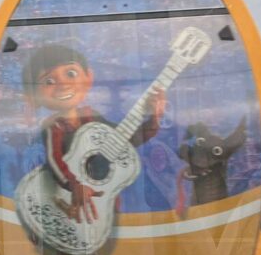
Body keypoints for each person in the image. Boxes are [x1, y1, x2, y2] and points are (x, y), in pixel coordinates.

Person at [22, 42, 166, 224]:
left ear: (88, 78)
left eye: (70, 73)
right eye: (49, 81)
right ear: (34, 95)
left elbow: (123, 141)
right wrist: (75, 185)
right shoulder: (54, 127)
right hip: (68, 202)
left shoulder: (93, 118)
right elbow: (54, 161)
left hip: (102, 204)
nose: (63, 85)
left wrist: (153, 120)